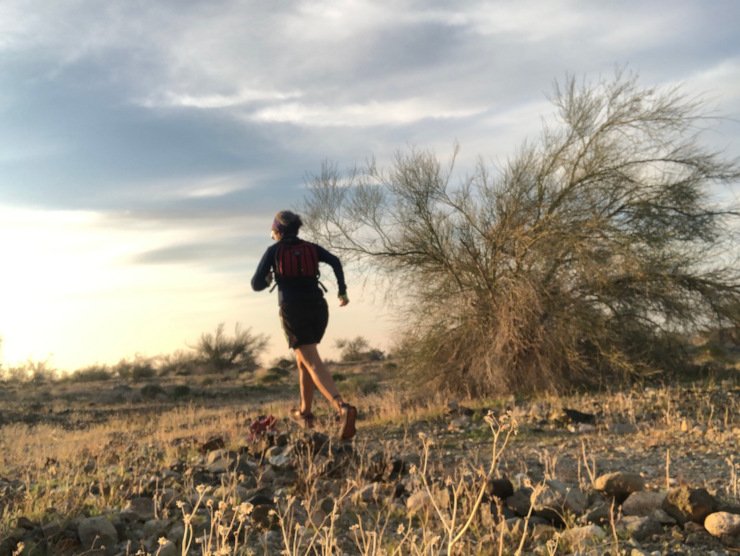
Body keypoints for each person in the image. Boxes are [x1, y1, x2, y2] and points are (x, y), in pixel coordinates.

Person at [251, 210, 357, 440]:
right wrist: (342, 290)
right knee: (303, 361)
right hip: (318, 308)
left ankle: (342, 408)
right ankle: (305, 413)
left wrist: (269, 278)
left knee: (310, 359)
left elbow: (255, 284)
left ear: (277, 231)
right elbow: (335, 261)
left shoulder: (274, 251)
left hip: (293, 309)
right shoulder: (311, 248)